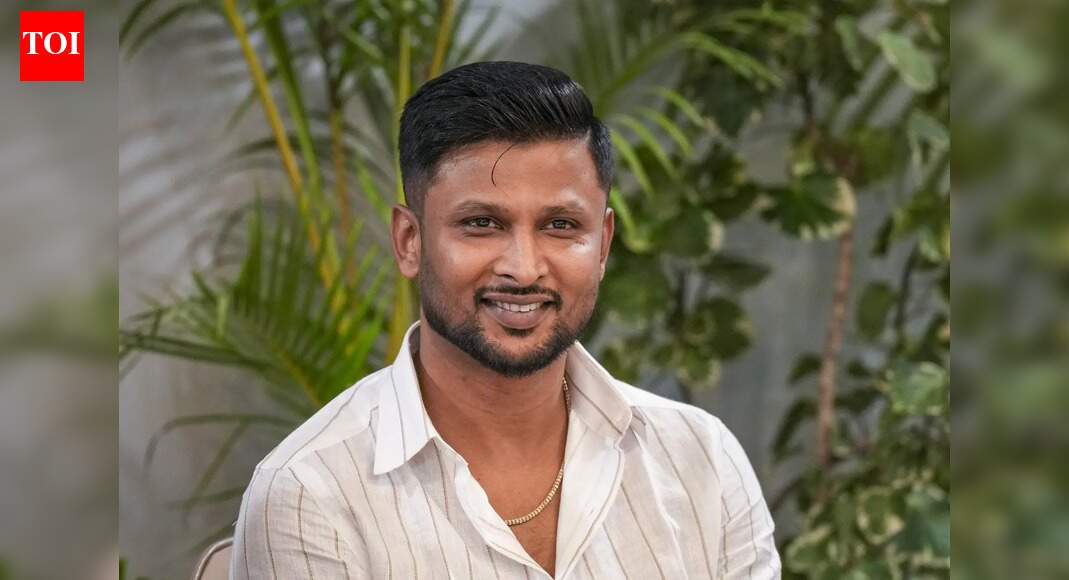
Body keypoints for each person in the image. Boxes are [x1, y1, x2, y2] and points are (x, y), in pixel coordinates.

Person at [231, 61, 780, 579]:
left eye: (561, 225)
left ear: (603, 243)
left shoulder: (700, 458)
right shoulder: (311, 492)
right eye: (482, 223)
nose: (524, 268)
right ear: (409, 241)